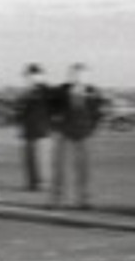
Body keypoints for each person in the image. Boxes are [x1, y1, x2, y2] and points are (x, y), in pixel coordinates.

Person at [48, 62, 105, 209]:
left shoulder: (93, 92)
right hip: (64, 135)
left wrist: (91, 130)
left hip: (84, 136)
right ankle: (56, 200)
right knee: (60, 169)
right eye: (75, 74)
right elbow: (50, 109)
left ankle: (84, 200)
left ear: (87, 76)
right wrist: (56, 126)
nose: (79, 77)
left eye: (82, 74)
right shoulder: (60, 91)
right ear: (70, 75)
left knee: (84, 170)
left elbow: (98, 114)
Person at [15, 63, 53, 191]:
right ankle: (32, 184)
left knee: (41, 160)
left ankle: (43, 184)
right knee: (29, 160)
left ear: (40, 76)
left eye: (31, 76)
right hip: (28, 131)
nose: (28, 79)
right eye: (27, 76)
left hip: (42, 131)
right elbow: (20, 111)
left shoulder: (46, 91)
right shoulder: (26, 93)